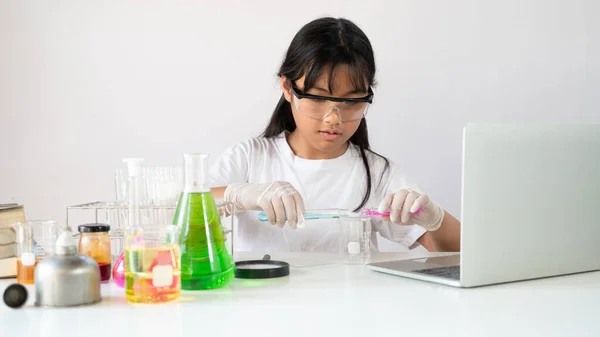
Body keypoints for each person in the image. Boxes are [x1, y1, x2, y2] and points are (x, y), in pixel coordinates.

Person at [209, 17, 460, 253]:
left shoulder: (378, 175)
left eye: (351, 102)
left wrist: (435, 219)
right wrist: (237, 196)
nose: (333, 118)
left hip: (352, 299)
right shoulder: (249, 158)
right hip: (263, 300)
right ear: (287, 87)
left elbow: (465, 255)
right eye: (318, 98)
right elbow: (178, 216)